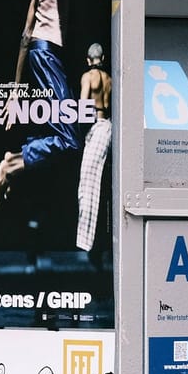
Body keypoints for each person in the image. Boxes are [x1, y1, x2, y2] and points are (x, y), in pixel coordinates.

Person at [0, 0, 112, 205]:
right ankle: (12, 165)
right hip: (47, 52)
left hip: (39, 52)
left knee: (60, 131)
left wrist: (15, 91)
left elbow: (25, 35)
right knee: (70, 138)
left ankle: (15, 160)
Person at [75, 42, 113, 255]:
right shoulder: (110, 80)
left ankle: (85, 244)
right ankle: (95, 242)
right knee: (98, 183)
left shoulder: (88, 77)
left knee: (87, 186)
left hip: (97, 128)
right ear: (103, 58)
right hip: (108, 127)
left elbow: (83, 106)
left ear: (88, 60)